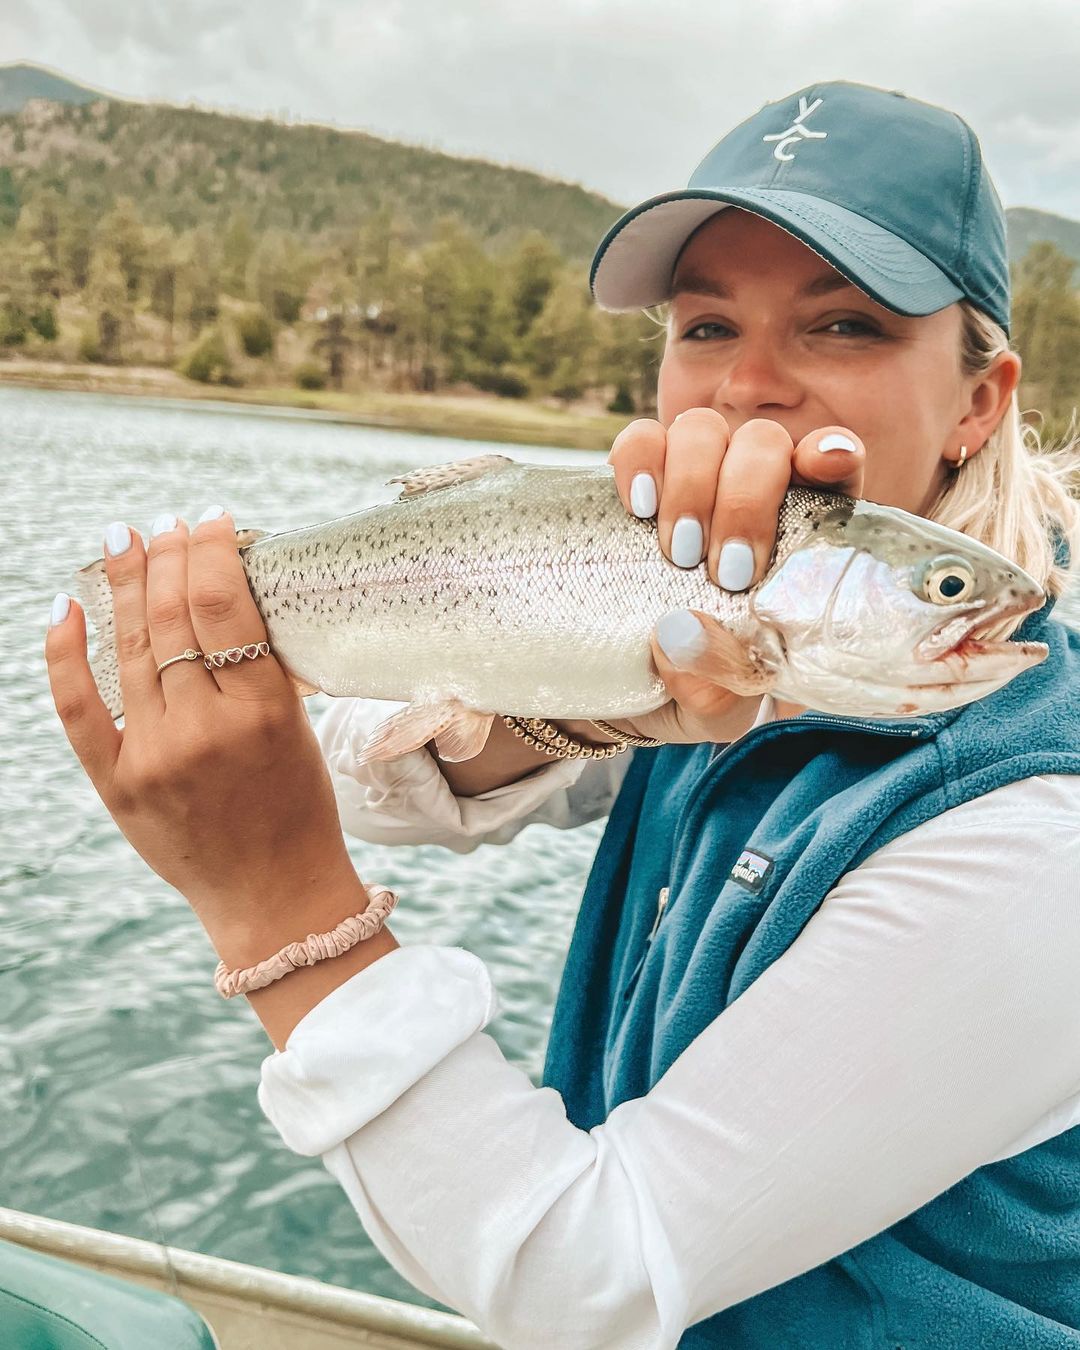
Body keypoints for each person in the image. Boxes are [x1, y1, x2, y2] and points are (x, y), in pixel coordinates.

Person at [45, 80, 1080, 1349]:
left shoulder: (1040, 832)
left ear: (981, 400)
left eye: (847, 326)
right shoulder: (755, 634)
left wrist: (275, 904)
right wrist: (587, 715)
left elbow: (594, 1276)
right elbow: (395, 790)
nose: (750, 385)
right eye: (704, 325)